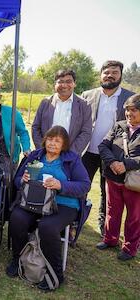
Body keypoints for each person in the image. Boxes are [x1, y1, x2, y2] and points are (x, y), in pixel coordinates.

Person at [6, 126, 90, 291]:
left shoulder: (71, 160)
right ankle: (18, 259)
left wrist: (61, 185)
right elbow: (17, 181)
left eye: (57, 141)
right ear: (45, 140)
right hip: (35, 200)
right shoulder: (35, 156)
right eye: (50, 139)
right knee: (17, 217)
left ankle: (55, 273)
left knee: (48, 226)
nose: (52, 143)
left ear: (64, 144)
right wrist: (23, 179)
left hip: (64, 204)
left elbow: (84, 185)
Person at [81, 60, 135, 236]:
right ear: (100, 74)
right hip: (87, 151)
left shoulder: (130, 97)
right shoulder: (87, 95)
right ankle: (76, 218)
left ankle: (104, 226)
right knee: (81, 186)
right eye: (106, 72)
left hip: (113, 155)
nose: (110, 75)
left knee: (108, 193)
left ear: (120, 76)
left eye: (115, 72)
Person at [97, 94, 140, 261]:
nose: (130, 114)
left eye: (134, 110)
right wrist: (113, 162)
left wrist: (126, 164)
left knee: (134, 216)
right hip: (113, 178)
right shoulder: (119, 126)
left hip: (134, 182)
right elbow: (103, 146)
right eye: (128, 110)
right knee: (112, 211)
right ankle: (110, 239)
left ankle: (130, 248)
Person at [32, 69, 92, 154]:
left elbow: (86, 132)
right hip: (46, 154)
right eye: (60, 82)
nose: (64, 85)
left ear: (74, 84)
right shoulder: (45, 102)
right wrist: (43, 150)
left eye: (68, 81)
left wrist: (70, 154)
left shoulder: (84, 105)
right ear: (55, 84)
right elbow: (35, 127)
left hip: (70, 156)